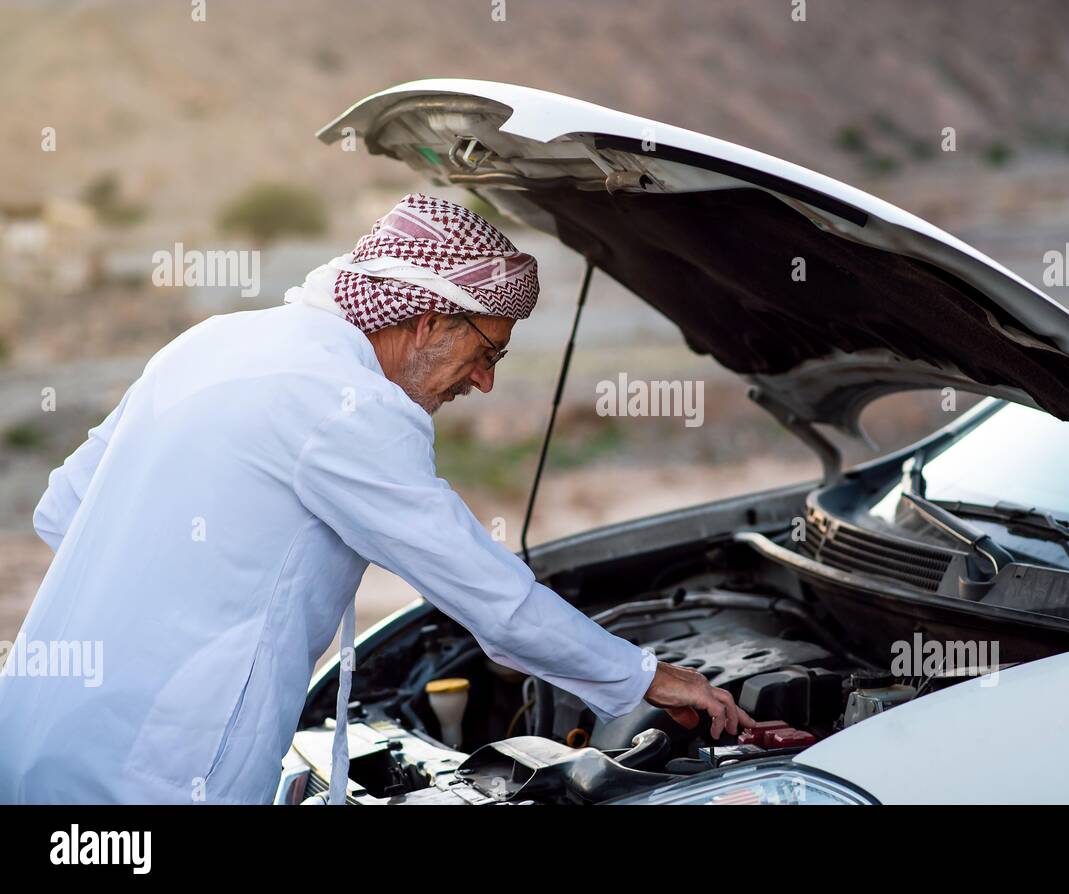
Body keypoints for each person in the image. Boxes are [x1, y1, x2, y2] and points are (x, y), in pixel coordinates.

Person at [0, 194, 753, 804]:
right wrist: (645, 677)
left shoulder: (212, 342)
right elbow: (492, 601)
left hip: (34, 737)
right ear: (428, 319)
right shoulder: (349, 406)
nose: (483, 380)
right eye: (486, 351)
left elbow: (64, 509)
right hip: (152, 775)